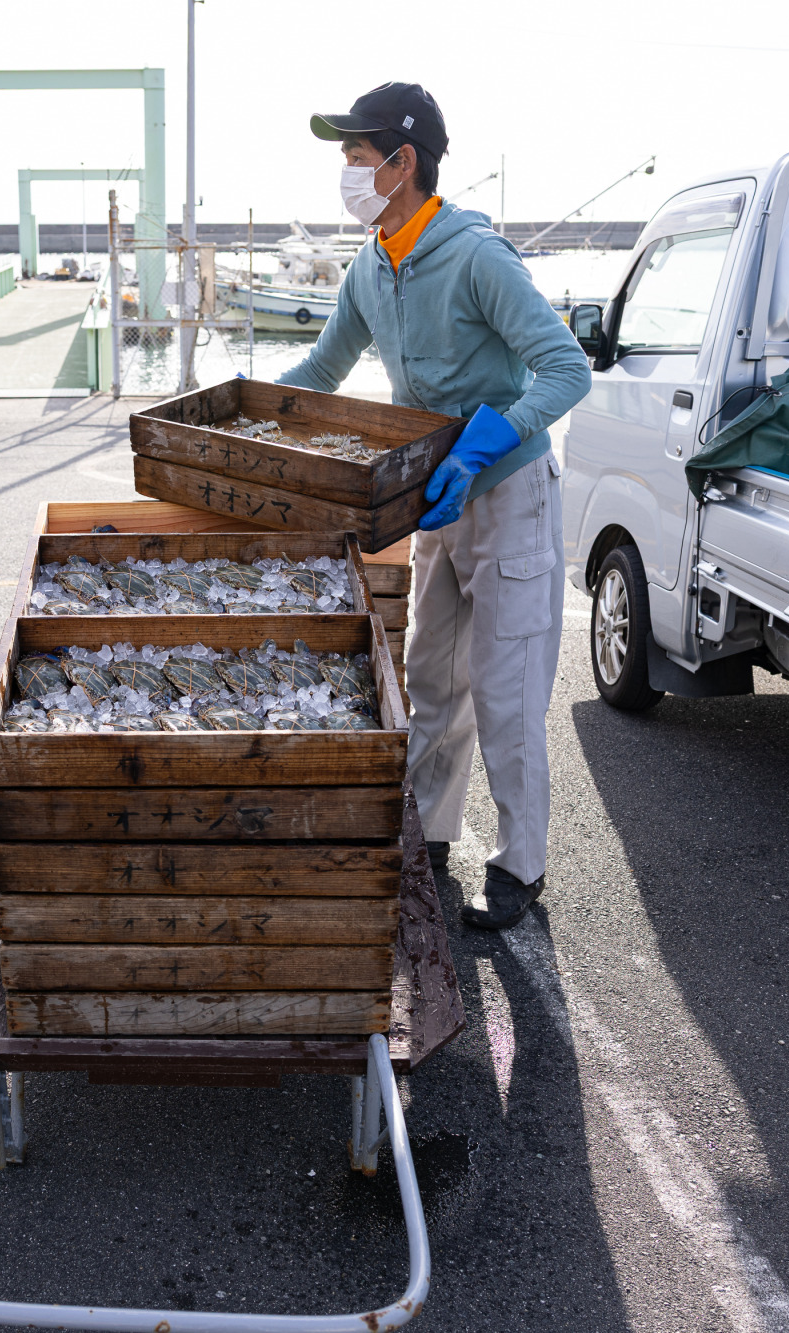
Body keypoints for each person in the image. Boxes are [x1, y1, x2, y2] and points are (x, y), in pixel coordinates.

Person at [278, 83, 592, 931]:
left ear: (400, 162)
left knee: (507, 688)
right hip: (435, 501)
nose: (347, 173)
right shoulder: (370, 265)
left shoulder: (477, 256)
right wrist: (236, 407)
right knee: (429, 675)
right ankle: (435, 834)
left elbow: (566, 369)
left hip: (510, 495)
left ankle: (521, 863)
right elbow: (320, 371)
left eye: (354, 157)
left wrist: (492, 442)